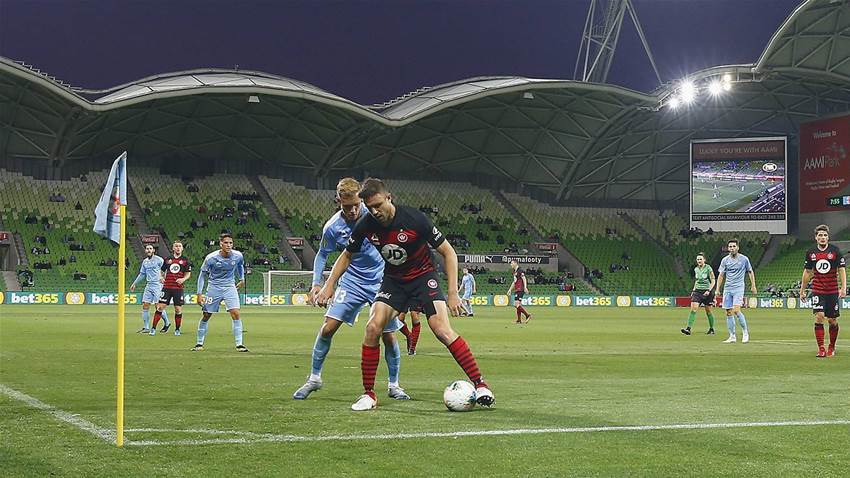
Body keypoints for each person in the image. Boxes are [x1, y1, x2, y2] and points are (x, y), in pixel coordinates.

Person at [316, 178, 494, 411]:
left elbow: (448, 252)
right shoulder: (366, 225)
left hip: (423, 278)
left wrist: (453, 293)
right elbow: (347, 255)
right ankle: (369, 394)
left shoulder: (414, 219)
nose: (375, 211)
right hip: (394, 282)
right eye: (370, 207)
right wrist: (329, 284)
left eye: (378, 204)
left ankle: (481, 384)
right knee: (372, 328)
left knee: (441, 329)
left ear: (389, 197)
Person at [293, 178, 409, 401]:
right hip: (353, 280)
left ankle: (394, 385)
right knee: (327, 328)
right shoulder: (332, 227)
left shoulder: (375, 214)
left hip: (383, 280)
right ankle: (314, 378)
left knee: (388, 335)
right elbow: (322, 255)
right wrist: (318, 284)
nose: (354, 210)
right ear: (338, 201)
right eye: (348, 206)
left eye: (357, 204)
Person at [193, 233, 248, 352]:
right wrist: (199, 294)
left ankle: (239, 344)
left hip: (230, 287)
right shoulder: (211, 258)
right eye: (226, 243)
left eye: (231, 243)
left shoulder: (238, 256)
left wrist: (242, 278)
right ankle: (199, 343)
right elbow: (202, 275)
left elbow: (240, 266)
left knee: (236, 313)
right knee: (206, 315)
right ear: (221, 244)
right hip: (214, 287)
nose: (229, 245)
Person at [799, 224, 846, 358]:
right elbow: (807, 272)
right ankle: (821, 348)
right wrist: (802, 290)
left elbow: (841, 269)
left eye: (825, 235)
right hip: (818, 289)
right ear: (816, 237)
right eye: (820, 235)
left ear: (828, 237)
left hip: (832, 290)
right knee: (819, 317)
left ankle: (831, 346)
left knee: (832, 320)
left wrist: (843, 288)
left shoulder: (835, 251)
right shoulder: (811, 252)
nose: (823, 237)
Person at [715, 239, 756, 343]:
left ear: (738, 247)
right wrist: (717, 289)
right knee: (728, 312)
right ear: (728, 248)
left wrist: (753, 285)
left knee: (736, 310)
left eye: (734, 246)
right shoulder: (725, 260)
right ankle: (732, 336)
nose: (732, 248)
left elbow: (750, 272)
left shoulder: (744, 259)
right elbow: (721, 275)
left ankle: (745, 332)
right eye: (730, 247)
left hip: (738, 287)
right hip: (728, 288)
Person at [129, 244, 169, 334]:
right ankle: (146, 327)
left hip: (158, 285)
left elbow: (167, 269)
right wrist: (134, 283)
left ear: (153, 250)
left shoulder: (159, 260)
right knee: (145, 305)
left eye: (150, 249)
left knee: (158, 306)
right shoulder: (145, 262)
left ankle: (167, 323)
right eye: (147, 249)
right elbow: (142, 274)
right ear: (145, 251)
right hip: (149, 285)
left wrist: (164, 278)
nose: (149, 250)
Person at [159, 241, 192, 336]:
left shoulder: (185, 260)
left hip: (178, 288)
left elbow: (188, 273)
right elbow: (162, 270)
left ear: (182, 248)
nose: (178, 248)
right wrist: (161, 277)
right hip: (167, 287)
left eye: (179, 246)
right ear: (173, 248)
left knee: (178, 309)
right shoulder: (168, 259)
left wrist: (183, 279)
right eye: (176, 246)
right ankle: (153, 328)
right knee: (160, 307)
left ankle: (177, 329)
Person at [681, 253, 716, 335]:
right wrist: (693, 290)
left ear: (704, 260)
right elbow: (696, 281)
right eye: (698, 259)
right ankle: (688, 329)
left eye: (700, 259)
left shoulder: (708, 268)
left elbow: (713, 280)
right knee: (693, 309)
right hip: (697, 292)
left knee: (708, 311)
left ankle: (711, 329)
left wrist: (709, 290)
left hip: (707, 292)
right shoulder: (696, 269)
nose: (699, 261)